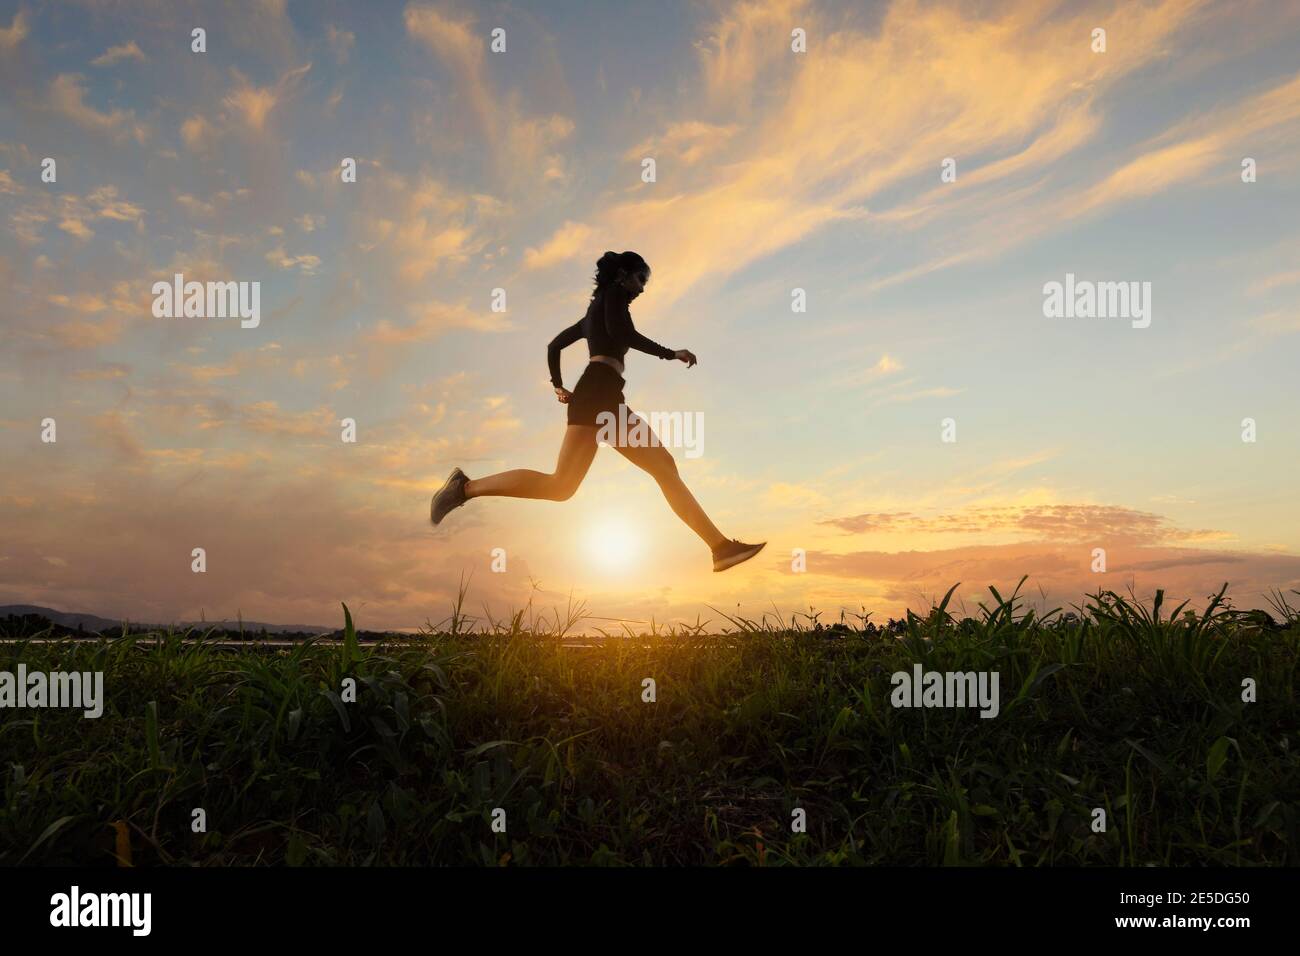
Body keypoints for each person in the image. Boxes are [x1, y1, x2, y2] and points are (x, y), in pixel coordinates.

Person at [431, 250, 765, 572]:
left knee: (566, 485)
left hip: (598, 393)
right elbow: (622, 333)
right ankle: (720, 548)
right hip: (599, 393)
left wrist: (558, 385)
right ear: (622, 275)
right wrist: (670, 353)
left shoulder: (593, 312)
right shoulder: (614, 296)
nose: (642, 288)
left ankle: (720, 549)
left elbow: (554, 346)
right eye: (641, 278)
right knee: (656, 469)